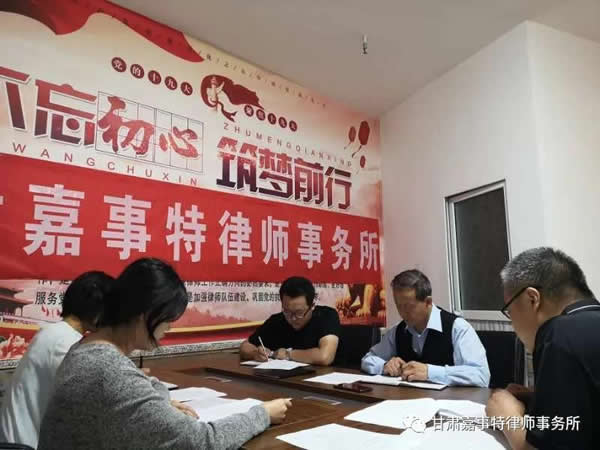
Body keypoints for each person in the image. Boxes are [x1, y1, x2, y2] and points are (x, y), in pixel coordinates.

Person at [37, 258, 291, 450]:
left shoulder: (88, 348)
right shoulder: (108, 370)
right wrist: (262, 414)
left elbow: (142, 385)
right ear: (145, 315)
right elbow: (200, 441)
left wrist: (160, 403)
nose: (169, 328)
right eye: (168, 319)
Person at [486, 247, 600, 449]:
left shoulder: (559, 333)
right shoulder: (588, 325)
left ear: (532, 299)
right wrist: (539, 397)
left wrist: (506, 415)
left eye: (509, 310)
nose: (512, 323)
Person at [0, 271, 113, 448]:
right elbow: (94, 395)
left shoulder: (54, 332)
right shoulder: (66, 342)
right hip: (25, 444)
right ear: (97, 311)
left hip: (17, 439)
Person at [361, 269, 490, 387]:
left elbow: (481, 375)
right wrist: (384, 366)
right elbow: (368, 359)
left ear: (428, 302)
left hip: (450, 402)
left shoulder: (457, 327)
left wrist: (430, 372)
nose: (402, 313)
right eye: (398, 306)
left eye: (408, 306)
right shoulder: (398, 331)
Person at [240, 276, 341, 365]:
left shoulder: (326, 316)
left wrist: (288, 354)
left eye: (299, 313)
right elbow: (245, 346)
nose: (293, 318)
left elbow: (325, 357)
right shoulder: (276, 320)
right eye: (287, 311)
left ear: (312, 306)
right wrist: (255, 353)